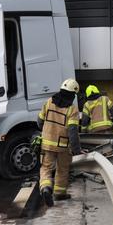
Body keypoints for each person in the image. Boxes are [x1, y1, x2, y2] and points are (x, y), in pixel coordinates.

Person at [38, 78, 81, 207]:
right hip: (63, 146)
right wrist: (76, 149)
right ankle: (59, 193)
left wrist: (46, 131)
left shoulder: (49, 102)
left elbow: (39, 122)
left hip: (46, 144)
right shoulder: (72, 110)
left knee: (46, 167)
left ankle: (46, 188)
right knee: (62, 169)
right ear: (72, 95)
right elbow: (73, 132)